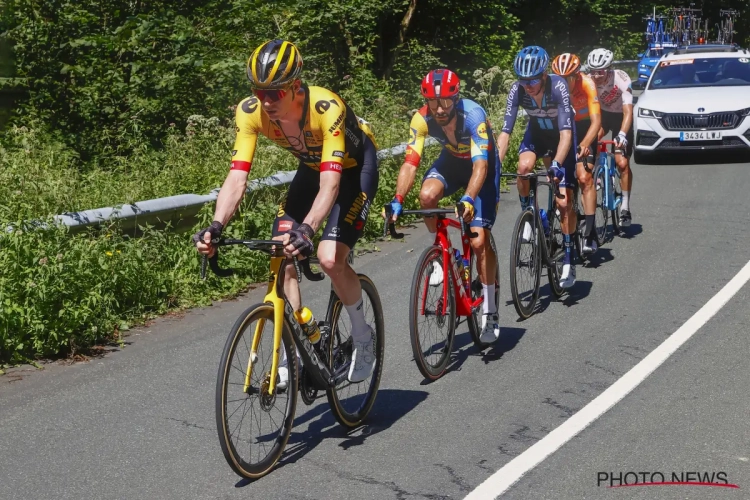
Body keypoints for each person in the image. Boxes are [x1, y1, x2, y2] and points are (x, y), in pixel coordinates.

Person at [193, 39, 380, 386]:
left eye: (275, 93)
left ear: (295, 87)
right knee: (281, 250)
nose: (265, 101)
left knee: (327, 258)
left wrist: (308, 229)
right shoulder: (250, 112)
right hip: (312, 169)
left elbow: (331, 186)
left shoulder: (327, 108)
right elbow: (237, 178)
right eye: (258, 91)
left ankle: (363, 337)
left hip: (354, 170)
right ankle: (294, 353)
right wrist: (216, 225)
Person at [386, 69, 501, 343]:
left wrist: (468, 199)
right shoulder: (421, 118)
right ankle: (441, 253)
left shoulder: (473, 115)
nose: (439, 108)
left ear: (456, 97)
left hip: (480, 167)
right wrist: (397, 199)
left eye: (446, 101)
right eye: (433, 101)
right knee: (426, 197)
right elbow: (410, 163)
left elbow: (481, 165)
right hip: (451, 161)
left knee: (477, 241)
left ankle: (491, 309)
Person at [496, 46, 578, 289]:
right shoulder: (517, 90)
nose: (527, 85)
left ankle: (569, 258)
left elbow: (565, 134)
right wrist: (495, 165)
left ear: (544, 75)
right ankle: (530, 218)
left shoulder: (559, 87)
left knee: (564, 202)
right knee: (523, 168)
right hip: (537, 134)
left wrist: (556, 164)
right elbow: (505, 133)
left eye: (532, 80)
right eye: (523, 80)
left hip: (561, 139)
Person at [551, 52, 602, 254]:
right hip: (564, 130)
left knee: (584, 177)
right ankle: (567, 234)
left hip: (585, 128)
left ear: (577, 75)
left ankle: (590, 234)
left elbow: (597, 121)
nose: (564, 82)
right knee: (564, 188)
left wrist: (584, 143)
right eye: (560, 78)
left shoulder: (587, 84)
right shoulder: (554, 87)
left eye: (568, 78)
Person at [586, 48, 634, 227]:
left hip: (622, 117)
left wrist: (622, 134)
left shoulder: (621, 78)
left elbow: (629, 110)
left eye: (601, 71)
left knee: (622, 163)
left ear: (610, 68)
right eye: (593, 71)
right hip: (604, 116)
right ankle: (598, 170)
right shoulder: (588, 79)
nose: (596, 75)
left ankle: (626, 207)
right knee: (594, 137)